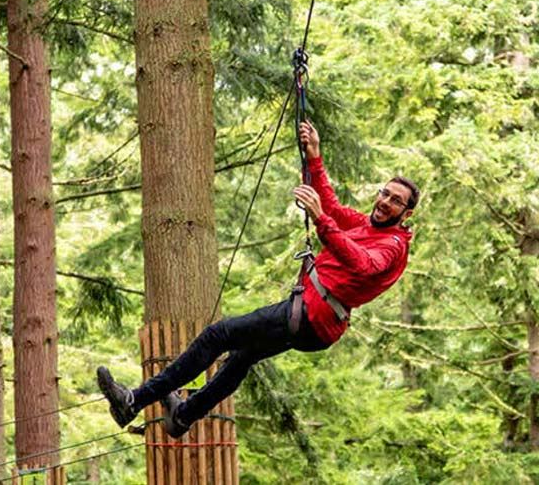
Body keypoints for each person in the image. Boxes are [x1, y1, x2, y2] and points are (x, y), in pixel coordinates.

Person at [97, 121, 419, 438]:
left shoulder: (391, 246)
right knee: (242, 357)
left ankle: (133, 401)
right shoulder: (367, 225)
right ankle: (183, 415)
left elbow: (362, 263)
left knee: (217, 335)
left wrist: (320, 219)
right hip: (314, 320)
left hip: (311, 316)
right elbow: (332, 207)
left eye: (395, 201)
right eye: (385, 194)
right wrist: (314, 157)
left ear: (406, 213)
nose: (385, 202)